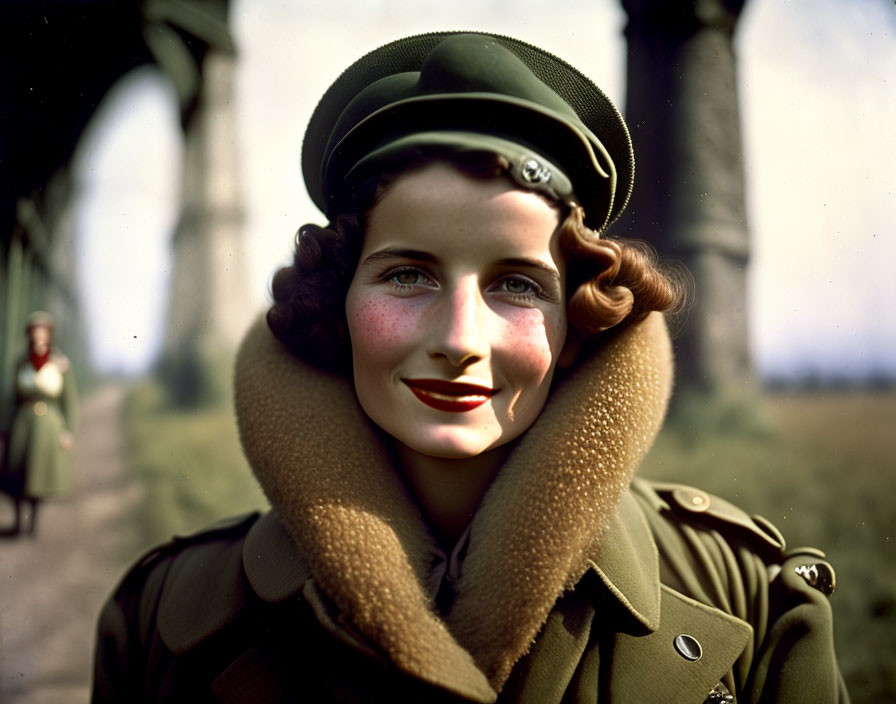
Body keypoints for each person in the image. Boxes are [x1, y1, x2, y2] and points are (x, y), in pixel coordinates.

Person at [92, 32, 847, 702]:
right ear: (335, 305)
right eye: (406, 275)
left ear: (577, 326)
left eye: (517, 285)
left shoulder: (746, 600)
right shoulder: (166, 618)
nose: (460, 338)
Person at [1, 311, 77, 536]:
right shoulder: (21, 362)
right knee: (17, 472)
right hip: (22, 423)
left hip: (47, 425)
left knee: (39, 474)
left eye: (43, 331)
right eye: (35, 331)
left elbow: (69, 400)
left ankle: (33, 523)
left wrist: (68, 431)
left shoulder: (59, 363)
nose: (39, 336)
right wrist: (5, 427)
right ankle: (17, 521)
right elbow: (12, 398)